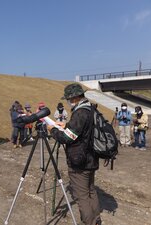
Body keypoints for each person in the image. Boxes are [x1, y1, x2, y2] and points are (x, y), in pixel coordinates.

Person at [48, 83, 101, 225]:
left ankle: (90, 222)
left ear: (75, 97)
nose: (68, 101)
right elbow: (83, 130)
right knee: (91, 190)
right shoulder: (91, 109)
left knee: (82, 196)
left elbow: (66, 138)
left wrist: (52, 130)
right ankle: (96, 219)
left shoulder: (80, 113)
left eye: (68, 98)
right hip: (92, 158)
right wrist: (66, 126)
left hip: (80, 160)